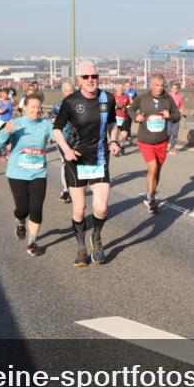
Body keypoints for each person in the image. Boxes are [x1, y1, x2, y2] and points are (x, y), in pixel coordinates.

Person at [52, 61, 121, 267]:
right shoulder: (71, 102)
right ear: (79, 80)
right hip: (76, 159)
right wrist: (66, 150)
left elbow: (111, 123)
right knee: (80, 209)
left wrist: (115, 140)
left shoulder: (107, 98)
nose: (91, 80)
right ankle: (81, 247)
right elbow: (57, 129)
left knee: (100, 209)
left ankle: (96, 238)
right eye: (86, 77)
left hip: (99, 157)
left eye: (94, 76)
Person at [0, 93, 53, 256]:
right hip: (17, 173)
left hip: (39, 173)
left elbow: (61, 138)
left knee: (36, 208)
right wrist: (6, 132)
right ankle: (20, 222)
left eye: (39, 107)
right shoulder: (16, 124)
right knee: (23, 209)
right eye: (33, 107)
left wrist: (63, 127)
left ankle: (32, 242)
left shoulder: (45, 124)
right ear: (24, 108)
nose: (37, 110)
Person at [129, 73, 181, 215]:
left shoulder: (168, 99)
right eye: (156, 85)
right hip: (145, 140)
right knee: (152, 168)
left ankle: (149, 193)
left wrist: (169, 116)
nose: (159, 88)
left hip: (162, 141)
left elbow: (177, 116)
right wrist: (136, 117)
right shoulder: (142, 98)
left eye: (162, 85)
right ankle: (152, 199)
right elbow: (131, 109)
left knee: (157, 170)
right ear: (151, 85)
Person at [48, 80, 75, 203]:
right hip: (62, 139)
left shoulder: (81, 104)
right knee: (65, 162)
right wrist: (50, 136)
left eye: (71, 90)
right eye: (66, 91)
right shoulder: (58, 106)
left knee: (76, 164)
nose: (69, 93)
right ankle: (66, 190)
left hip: (78, 139)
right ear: (63, 92)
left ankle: (77, 187)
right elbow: (51, 120)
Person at [113, 83, 133, 152]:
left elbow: (130, 106)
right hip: (114, 118)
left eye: (122, 88)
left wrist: (125, 108)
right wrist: (114, 106)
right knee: (115, 134)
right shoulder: (112, 96)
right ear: (116, 89)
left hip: (123, 118)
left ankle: (121, 145)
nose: (121, 90)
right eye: (119, 88)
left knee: (124, 134)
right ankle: (116, 146)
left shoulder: (126, 96)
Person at [167, 83, 185, 154]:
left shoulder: (180, 97)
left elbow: (182, 106)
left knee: (175, 133)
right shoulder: (167, 96)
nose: (175, 89)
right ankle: (163, 145)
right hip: (168, 116)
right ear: (171, 89)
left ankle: (172, 148)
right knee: (168, 133)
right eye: (173, 88)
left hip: (176, 117)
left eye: (176, 88)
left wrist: (181, 111)